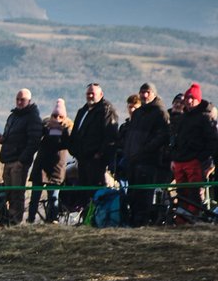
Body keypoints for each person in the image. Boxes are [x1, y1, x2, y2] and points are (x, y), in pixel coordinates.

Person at [123, 83, 172, 227]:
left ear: (154, 94)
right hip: (133, 160)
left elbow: (163, 136)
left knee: (144, 195)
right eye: (142, 92)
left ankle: (142, 223)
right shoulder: (138, 113)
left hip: (148, 161)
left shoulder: (160, 113)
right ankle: (133, 222)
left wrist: (145, 149)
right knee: (133, 194)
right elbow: (131, 135)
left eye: (148, 92)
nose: (144, 95)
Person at [0, 89, 42, 224]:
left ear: (29, 101)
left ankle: (16, 221)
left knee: (17, 193)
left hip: (19, 162)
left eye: (22, 100)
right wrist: (2, 139)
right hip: (8, 159)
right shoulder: (13, 116)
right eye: (18, 99)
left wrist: (21, 161)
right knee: (8, 192)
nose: (19, 102)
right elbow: (11, 136)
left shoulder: (32, 118)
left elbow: (34, 142)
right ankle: (8, 219)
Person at [170, 82, 217, 215]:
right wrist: (173, 158)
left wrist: (205, 159)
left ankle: (193, 218)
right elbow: (176, 139)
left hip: (195, 161)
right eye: (187, 98)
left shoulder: (205, 117)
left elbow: (212, 141)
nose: (189, 101)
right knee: (181, 192)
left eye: (192, 98)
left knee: (194, 193)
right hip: (180, 160)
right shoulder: (183, 117)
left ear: (198, 100)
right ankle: (181, 218)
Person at [28, 100, 72, 223]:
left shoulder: (68, 130)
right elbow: (36, 140)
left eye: (60, 116)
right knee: (35, 197)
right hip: (41, 167)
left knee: (54, 197)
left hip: (56, 168)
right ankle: (30, 220)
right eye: (55, 116)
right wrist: (45, 129)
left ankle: (52, 219)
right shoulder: (44, 127)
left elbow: (69, 144)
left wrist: (64, 131)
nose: (57, 118)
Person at [69, 83, 119, 190]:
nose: (90, 96)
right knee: (83, 190)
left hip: (96, 162)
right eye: (88, 93)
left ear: (101, 94)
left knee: (94, 190)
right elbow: (75, 132)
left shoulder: (106, 110)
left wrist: (100, 154)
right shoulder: (83, 111)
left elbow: (110, 135)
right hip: (82, 159)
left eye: (93, 93)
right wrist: (74, 150)